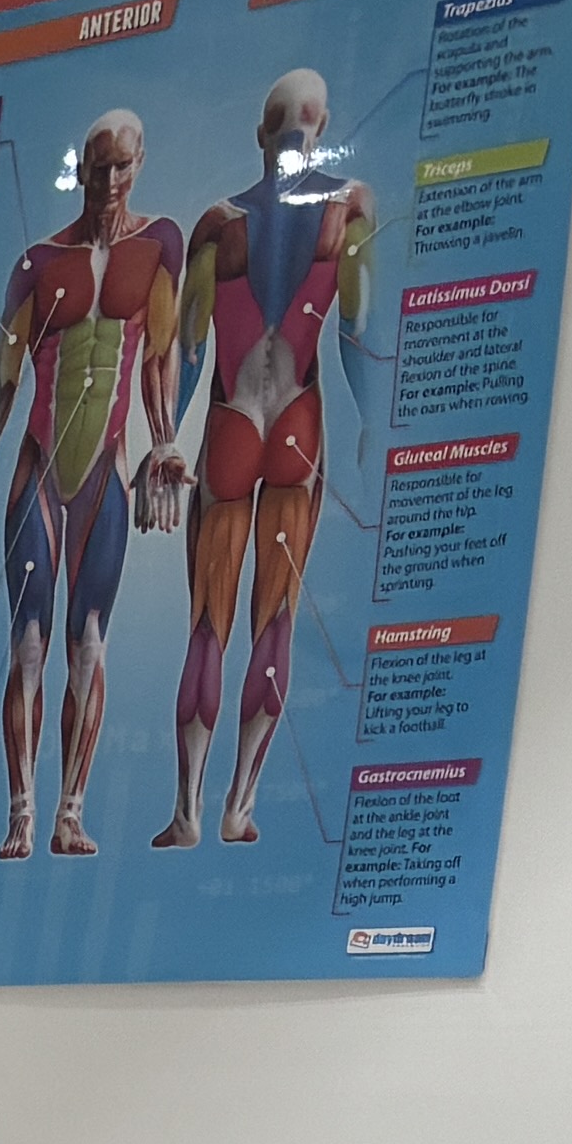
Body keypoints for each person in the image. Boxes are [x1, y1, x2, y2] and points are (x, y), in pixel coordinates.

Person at [165, 67, 374, 850]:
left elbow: (186, 354)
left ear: (262, 131)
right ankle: (237, 807)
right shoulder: (349, 207)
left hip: (230, 424)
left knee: (206, 627)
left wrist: (165, 439)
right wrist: (374, 429)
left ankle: (187, 811)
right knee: (274, 621)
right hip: (298, 424)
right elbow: (359, 333)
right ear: (320, 125)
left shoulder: (219, 224)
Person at [0, 109, 183, 863]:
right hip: (38, 468)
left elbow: (161, 353)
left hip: (106, 472)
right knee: (28, 646)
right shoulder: (38, 262)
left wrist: (166, 442)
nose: (108, 183)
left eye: (122, 167)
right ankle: (22, 814)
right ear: (81, 165)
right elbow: (2, 383)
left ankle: (70, 812)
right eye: (97, 167)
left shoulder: (159, 244)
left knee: (87, 648)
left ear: (140, 163)